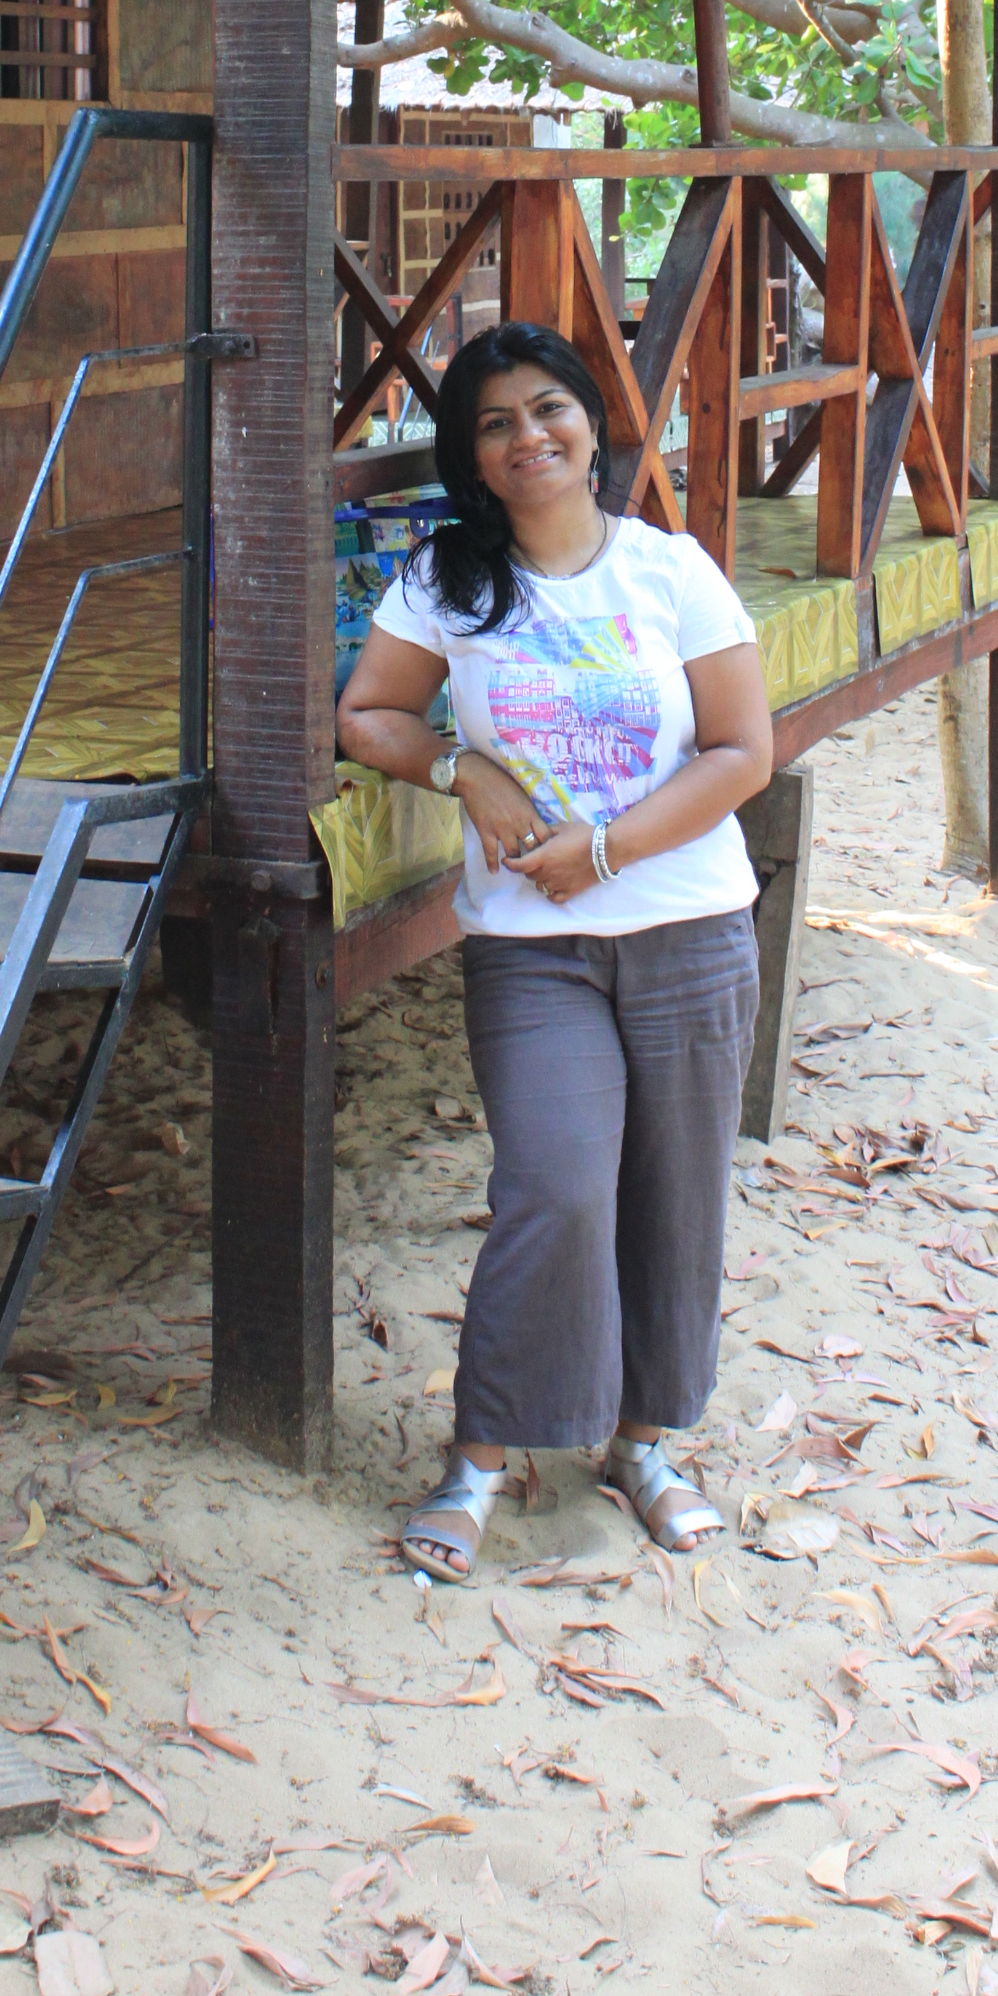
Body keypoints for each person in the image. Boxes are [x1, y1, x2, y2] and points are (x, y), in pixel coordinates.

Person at [337, 320, 774, 1583]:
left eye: (548, 410)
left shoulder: (670, 572)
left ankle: (644, 1446)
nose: (527, 436)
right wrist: (456, 768)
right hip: (534, 948)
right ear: (472, 459)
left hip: (688, 928)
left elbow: (743, 751)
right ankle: (482, 1456)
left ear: (591, 426)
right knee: (557, 1184)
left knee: (676, 1195)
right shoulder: (447, 582)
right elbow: (367, 715)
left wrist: (610, 848)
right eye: (494, 423)